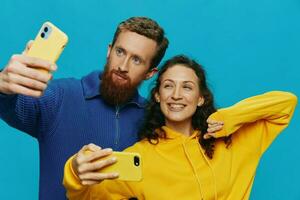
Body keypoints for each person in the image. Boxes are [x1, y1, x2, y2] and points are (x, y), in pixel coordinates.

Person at [63, 55, 297, 200]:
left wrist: (231, 117)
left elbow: (285, 104)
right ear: (157, 95)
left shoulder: (234, 142)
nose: (176, 95)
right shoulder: (139, 157)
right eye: (168, 86)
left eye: (187, 87)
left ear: (201, 98)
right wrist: (75, 170)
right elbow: (89, 197)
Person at [0, 17, 169, 200]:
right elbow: (10, 105)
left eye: (136, 60)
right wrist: (3, 84)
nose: (123, 66)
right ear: (109, 50)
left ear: (150, 73)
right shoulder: (60, 96)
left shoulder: (154, 118)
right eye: (120, 52)